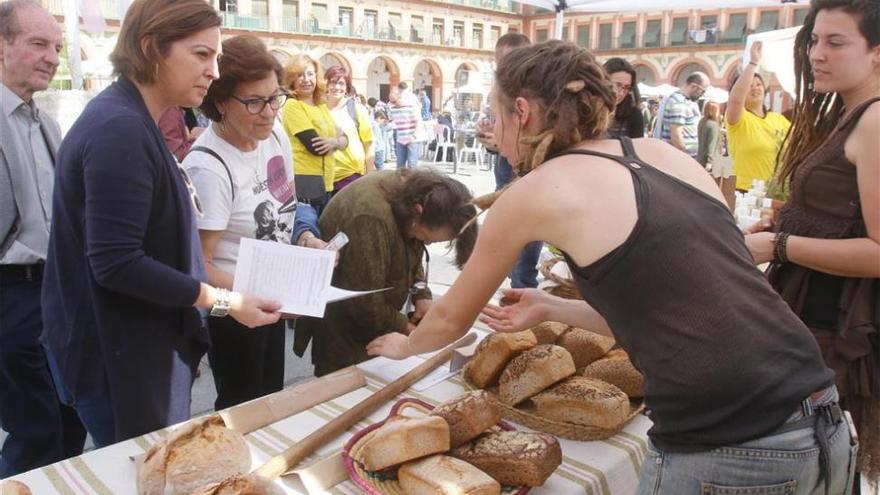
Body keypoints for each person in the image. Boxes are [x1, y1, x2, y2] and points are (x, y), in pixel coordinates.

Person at [367, 41, 855, 493]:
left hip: (733, 442)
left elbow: (450, 320)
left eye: (495, 116)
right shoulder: (665, 154)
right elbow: (667, 309)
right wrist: (549, 307)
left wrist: (406, 344)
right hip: (820, 412)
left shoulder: (534, 191)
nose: (492, 133)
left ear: (523, 111)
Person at [41, 0, 281, 447]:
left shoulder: (134, 120)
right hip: (121, 356)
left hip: (136, 348)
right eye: (201, 54)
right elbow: (117, 262)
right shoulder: (120, 129)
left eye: (216, 56)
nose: (213, 71)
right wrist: (224, 301)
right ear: (152, 48)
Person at [744, 0, 879, 487]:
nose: (817, 54)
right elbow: (845, 217)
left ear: (877, 54)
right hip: (818, 313)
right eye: (815, 41)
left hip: (837, 324)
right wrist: (787, 222)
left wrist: (780, 245)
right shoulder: (851, 116)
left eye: (836, 43)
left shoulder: (874, 122)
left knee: (827, 464)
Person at [181, 35, 300, 411]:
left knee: (271, 396)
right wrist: (249, 298)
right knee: (242, 403)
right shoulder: (208, 168)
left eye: (274, 97)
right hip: (231, 307)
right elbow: (200, 264)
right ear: (220, 104)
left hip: (270, 294)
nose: (269, 112)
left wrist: (307, 236)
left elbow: (286, 206)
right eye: (253, 101)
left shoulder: (273, 133)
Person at [0, 0, 86, 476]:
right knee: (34, 430)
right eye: (38, 44)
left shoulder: (47, 123)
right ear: (2, 46)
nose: (52, 56)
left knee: (72, 420)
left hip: (55, 291)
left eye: (56, 46)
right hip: (9, 294)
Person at [294, 168, 478, 376]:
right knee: (345, 388)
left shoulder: (418, 198)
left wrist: (421, 294)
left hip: (373, 318)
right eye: (428, 238)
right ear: (418, 212)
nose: (425, 243)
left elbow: (414, 244)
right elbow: (364, 304)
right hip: (344, 325)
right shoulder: (369, 217)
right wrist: (412, 334)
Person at [477, 32, 541, 290]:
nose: (502, 69)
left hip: (530, 179)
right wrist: (492, 140)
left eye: (507, 62)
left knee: (524, 252)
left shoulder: (539, 94)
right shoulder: (500, 90)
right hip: (507, 174)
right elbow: (501, 135)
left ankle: (521, 291)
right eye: (498, 63)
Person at [281, 54, 347, 213]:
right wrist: (338, 142)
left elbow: (346, 139)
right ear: (292, 79)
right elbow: (315, 147)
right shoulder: (293, 105)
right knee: (311, 229)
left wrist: (335, 142)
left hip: (328, 181)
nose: (306, 79)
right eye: (300, 75)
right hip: (306, 181)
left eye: (310, 74)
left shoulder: (321, 105)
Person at [725, 41, 791, 192]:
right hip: (745, 192)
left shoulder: (778, 119)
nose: (755, 88)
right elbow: (736, 100)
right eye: (749, 86)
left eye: (758, 84)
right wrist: (753, 62)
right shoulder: (740, 119)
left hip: (775, 192)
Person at [324, 65, 374, 192]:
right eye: (332, 82)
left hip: (351, 178)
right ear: (326, 85)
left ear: (347, 87)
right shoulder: (318, 109)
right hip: (323, 178)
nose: (336, 87)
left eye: (341, 83)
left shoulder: (357, 109)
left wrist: (370, 176)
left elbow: (368, 145)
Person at [654, 71, 709, 159]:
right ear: (694, 86)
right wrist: (685, 157)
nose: (702, 95)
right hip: (679, 158)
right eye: (702, 91)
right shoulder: (679, 101)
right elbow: (676, 134)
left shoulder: (683, 100)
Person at [603, 57, 645, 139]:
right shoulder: (588, 111)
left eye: (626, 87)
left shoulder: (634, 115)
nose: (621, 93)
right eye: (617, 85)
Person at [388, 84, 421, 169]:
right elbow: (390, 118)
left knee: (412, 164)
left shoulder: (411, 105)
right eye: (392, 101)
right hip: (400, 139)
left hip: (412, 138)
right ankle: (400, 181)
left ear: (400, 97)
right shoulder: (391, 107)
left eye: (394, 100)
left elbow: (418, 122)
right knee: (400, 165)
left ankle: (412, 182)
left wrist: (414, 136)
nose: (393, 103)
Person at [697, 101, 722, 169]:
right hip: (709, 162)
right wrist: (710, 161)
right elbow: (712, 143)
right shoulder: (713, 125)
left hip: (700, 158)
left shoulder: (702, 122)